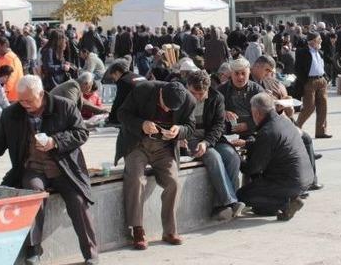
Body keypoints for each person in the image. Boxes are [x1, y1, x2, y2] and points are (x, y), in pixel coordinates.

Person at [0, 75, 98, 265]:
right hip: (32, 169)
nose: (24, 104)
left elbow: (81, 132)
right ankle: (34, 250)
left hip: (64, 168)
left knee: (78, 201)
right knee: (32, 195)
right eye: (21, 100)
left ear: (41, 94)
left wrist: (55, 142)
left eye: (29, 100)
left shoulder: (63, 106)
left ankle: (91, 253)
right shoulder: (11, 113)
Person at [115, 80, 196, 250]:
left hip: (164, 148)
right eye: (165, 105)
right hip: (137, 143)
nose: (167, 110)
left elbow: (190, 127)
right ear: (160, 93)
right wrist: (141, 124)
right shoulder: (143, 89)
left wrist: (178, 131)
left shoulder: (189, 100)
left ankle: (169, 230)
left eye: (171, 109)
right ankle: (137, 229)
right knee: (136, 179)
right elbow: (121, 114)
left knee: (173, 182)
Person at [238, 93, 315, 221]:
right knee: (260, 209)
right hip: (306, 177)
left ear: (256, 113)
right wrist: (247, 144)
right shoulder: (284, 121)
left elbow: (254, 168)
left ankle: (286, 204)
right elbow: (276, 144)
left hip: (289, 181)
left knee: (243, 195)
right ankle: (289, 199)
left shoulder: (267, 132)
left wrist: (237, 158)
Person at [251, 55, 323, 191]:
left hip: (275, 119)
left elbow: (274, 100)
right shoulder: (249, 81)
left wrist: (281, 103)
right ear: (257, 66)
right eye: (267, 70)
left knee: (305, 137)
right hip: (264, 125)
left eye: (270, 71)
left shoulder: (266, 81)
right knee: (297, 138)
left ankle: (310, 179)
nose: (268, 74)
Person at [185, 70, 246, 221]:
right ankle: (230, 202)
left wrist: (206, 142)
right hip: (189, 137)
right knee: (213, 156)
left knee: (233, 157)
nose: (198, 97)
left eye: (201, 94)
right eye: (194, 93)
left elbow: (219, 126)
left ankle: (220, 206)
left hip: (210, 138)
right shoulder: (180, 96)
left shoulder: (216, 98)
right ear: (187, 87)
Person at [293, 32, 332, 138]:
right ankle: (296, 127)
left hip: (321, 80)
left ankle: (321, 131)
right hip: (309, 81)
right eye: (319, 39)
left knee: (323, 106)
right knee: (309, 107)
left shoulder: (320, 52)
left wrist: (326, 78)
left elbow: (323, 66)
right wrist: (305, 81)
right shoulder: (302, 52)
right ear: (313, 41)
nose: (321, 41)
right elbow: (297, 69)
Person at [217, 57, 265, 138]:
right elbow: (212, 110)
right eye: (236, 73)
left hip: (253, 132)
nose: (240, 77)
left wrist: (248, 125)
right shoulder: (221, 90)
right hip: (228, 133)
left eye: (243, 73)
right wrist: (223, 112)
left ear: (249, 72)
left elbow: (265, 114)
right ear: (231, 73)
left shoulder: (257, 90)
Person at [105, 59, 145, 125]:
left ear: (117, 72)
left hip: (138, 113)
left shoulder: (123, 81)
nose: (114, 80)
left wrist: (111, 118)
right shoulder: (140, 77)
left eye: (114, 77)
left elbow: (118, 101)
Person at [0, 36, 24, 102]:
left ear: (4, 46)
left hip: (10, 97)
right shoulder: (9, 57)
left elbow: (10, 78)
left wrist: (3, 93)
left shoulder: (8, 59)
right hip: (12, 96)